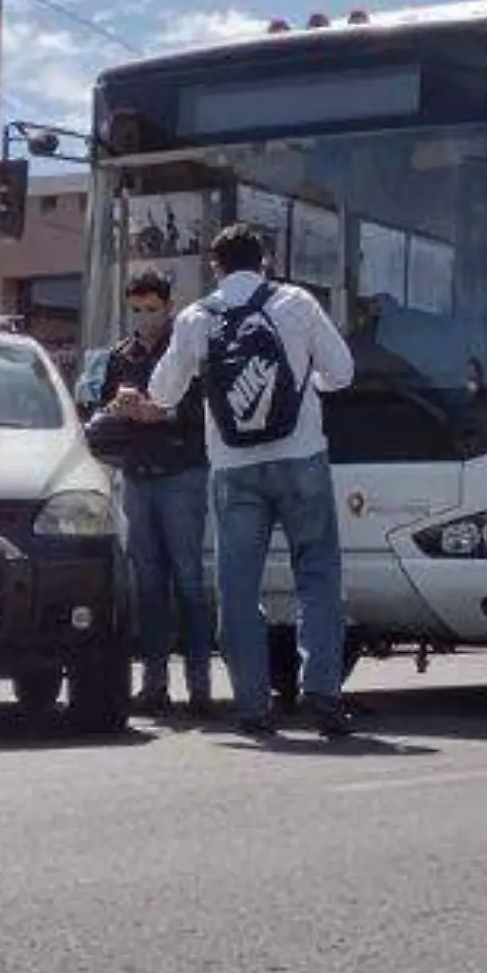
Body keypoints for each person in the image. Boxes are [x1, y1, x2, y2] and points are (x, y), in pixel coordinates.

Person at [119, 223, 357, 739]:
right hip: (302, 458)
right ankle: (321, 690)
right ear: (265, 260)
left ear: (214, 267)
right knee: (316, 575)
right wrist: (307, 384)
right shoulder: (296, 302)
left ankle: (252, 705)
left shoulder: (197, 317)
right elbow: (343, 372)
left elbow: (162, 392)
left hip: (232, 468)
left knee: (236, 586)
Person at [95, 269, 215, 718]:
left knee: (187, 580)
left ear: (169, 306)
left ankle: (200, 685)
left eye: (152, 309)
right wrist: (117, 408)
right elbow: (102, 412)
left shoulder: (186, 350)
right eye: (137, 310)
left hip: (181, 473)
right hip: (138, 476)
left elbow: (202, 412)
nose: (144, 318)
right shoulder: (120, 356)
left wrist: (158, 414)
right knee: (147, 584)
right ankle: (154, 683)